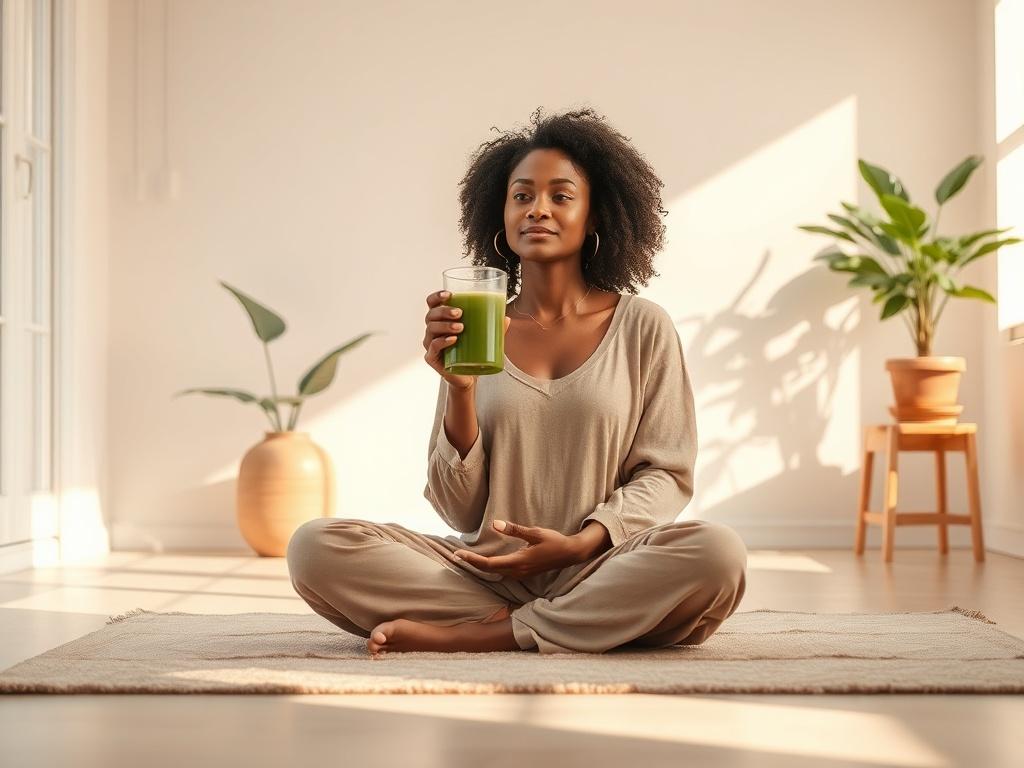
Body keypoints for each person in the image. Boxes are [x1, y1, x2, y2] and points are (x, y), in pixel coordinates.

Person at [286, 107, 747, 655]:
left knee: (718, 554)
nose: (538, 210)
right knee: (313, 547)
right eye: (522, 195)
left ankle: (490, 633)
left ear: (596, 215)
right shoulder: (479, 328)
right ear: (500, 213)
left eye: (561, 195)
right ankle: (560, 625)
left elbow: (667, 475)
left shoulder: (643, 326)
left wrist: (580, 545)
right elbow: (458, 511)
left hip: (602, 566)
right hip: (484, 573)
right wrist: (460, 388)